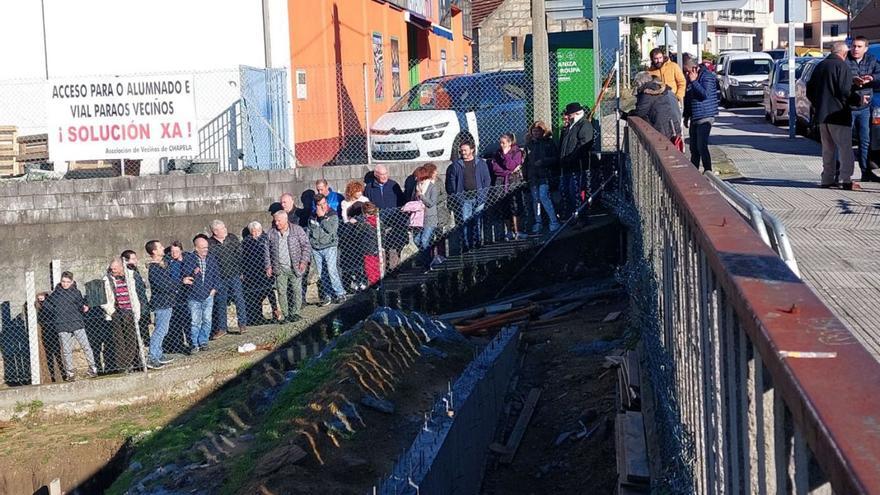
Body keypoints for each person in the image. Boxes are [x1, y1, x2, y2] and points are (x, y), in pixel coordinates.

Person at [808, 41, 858, 190]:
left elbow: (809, 89)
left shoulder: (820, 66)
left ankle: (827, 179)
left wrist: (818, 104)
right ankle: (846, 180)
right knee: (844, 148)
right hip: (839, 115)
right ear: (843, 53)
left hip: (822, 115)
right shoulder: (842, 66)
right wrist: (858, 99)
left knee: (827, 149)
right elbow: (844, 91)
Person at [39, 271, 97, 381]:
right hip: (62, 325)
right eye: (63, 281)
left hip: (77, 323)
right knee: (66, 350)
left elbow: (80, 305)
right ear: (60, 281)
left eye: (68, 282)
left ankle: (93, 368)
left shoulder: (76, 292)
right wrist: (43, 302)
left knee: (86, 346)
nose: (65, 284)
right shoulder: (55, 294)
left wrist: (84, 307)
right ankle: (70, 373)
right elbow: (51, 309)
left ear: (72, 282)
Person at [265, 209, 311, 322]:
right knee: (281, 292)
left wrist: (303, 261)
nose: (277, 223)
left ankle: (295, 312)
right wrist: (268, 266)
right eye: (275, 221)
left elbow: (306, 246)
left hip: (295, 266)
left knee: (296, 290)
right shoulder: (271, 233)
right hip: (279, 267)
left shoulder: (297, 230)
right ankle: (285, 315)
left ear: (286, 219)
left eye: (279, 221)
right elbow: (266, 251)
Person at [446, 139, 492, 252]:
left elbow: (487, 179)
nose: (463, 153)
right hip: (464, 198)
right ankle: (467, 245)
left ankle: (478, 242)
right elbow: (452, 181)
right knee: (465, 222)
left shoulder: (481, 163)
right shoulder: (456, 165)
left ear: (472, 150)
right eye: (461, 151)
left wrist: (483, 193)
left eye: (465, 150)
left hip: (479, 197)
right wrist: (457, 195)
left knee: (478, 221)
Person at [101, 259, 144, 373]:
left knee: (131, 340)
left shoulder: (131, 276)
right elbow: (104, 299)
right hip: (117, 313)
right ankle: (122, 367)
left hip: (130, 312)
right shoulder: (107, 279)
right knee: (119, 342)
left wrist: (137, 313)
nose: (112, 271)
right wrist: (112, 312)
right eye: (111, 269)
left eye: (115, 268)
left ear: (121, 267)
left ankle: (130, 364)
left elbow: (138, 295)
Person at [847, 36, 880, 181]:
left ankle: (866, 172)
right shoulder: (845, 59)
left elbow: (879, 75)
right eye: (854, 46)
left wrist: (871, 78)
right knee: (845, 141)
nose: (855, 49)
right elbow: (841, 76)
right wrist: (854, 79)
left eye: (859, 46)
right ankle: (842, 173)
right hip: (847, 106)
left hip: (865, 107)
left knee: (864, 140)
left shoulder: (871, 60)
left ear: (865, 48)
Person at [208, 220, 248, 336]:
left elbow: (240, 255)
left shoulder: (232, 238)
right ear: (215, 231)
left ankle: (242, 324)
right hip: (220, 278)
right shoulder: (210, 244)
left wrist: (241, 271)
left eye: (224, 227)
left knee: (239, 299)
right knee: (221, 302)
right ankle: (222, 328)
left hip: (234, 274)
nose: (225, 229)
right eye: (222, 228)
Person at [182, 235, 219, 353]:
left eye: (206, 248)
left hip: (208, 294)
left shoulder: (211, 259)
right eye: (203, 248)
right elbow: (185, 275)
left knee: (207, 320)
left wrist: (214, 289)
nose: (205, 250)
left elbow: (216, 275)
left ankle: (203, 341)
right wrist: (193, 272)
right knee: (195, 321)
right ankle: (194, 343)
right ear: (196, 248)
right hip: (194, 295)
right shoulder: (189, 259)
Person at [308, 193, 347, 306]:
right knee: (322, 273)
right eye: (320, 205)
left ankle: (340, 293)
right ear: (316, 206)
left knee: (331, 270)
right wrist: (312, 242)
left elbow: (331, 230)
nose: (323, 206)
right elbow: (310, 230)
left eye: (324, 203)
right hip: (316, 248)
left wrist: (323, 218)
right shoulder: (312, 216)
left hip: (329, 246)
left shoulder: (332, 214)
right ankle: (327, 295)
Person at [365, 164, 406, 269]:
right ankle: (383, 270)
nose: (384, 176)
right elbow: (368, 204)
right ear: (376, 175)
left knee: (393, 247)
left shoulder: (393, 185)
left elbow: (401, 202)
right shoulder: (369, 187)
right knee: (381, 247)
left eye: (386, 174)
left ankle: (394, 270)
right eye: (382, 175)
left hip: (394, 220)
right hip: (379, 221)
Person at [683, 58, 719, 173]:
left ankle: (708, 171)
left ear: (694, 68)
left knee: (701, 146)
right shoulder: (691, 78)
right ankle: (694, 173)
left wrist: (694, 82)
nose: (686, 74)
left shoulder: (707, 76)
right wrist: (686, 115)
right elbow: (688, 97)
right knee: (693, 148)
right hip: (695, 116)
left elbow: (705, 94)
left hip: (705, 115)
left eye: (687, 71)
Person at [523, 121, 561, 234]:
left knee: (544, 196)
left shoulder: (548, 142)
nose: (535, 133)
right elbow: (525, 162)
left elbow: (555, 158)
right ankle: (538, 222)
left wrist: (544, 162)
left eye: (538, 131)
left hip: (545, 175)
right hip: (533, 176)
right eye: (533, 131)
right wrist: (525, 176)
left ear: (542, 131)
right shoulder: (529, 145)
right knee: (536, 199)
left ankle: (553, 220)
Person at [558, 102, 594, 219]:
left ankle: (581, 218)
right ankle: (572, 216)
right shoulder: (569, 127)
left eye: (569, 114)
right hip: (567, 165)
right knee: (567, 191)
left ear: (576, 113)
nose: (567, 117)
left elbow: (583, 145)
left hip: (577, 166)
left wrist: (571, 158)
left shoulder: (584, 125)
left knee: (577, 193)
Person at [490, 133, 529, 240]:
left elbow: (511, 165)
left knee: (515, 206)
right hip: (501, 181)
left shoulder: (517, 152)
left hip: (513, 181)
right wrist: (508, 172)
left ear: (510, 143)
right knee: (504, 207)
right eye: (500, 143)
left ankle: (518, 231)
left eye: (504, 143)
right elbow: (496, 169)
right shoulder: (497, 153)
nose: (501, 145)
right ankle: (509, 231)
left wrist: (506, 155)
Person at [144, 240, 175, 369]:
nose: (163, 248)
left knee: (164, 329)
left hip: (167, 301)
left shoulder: (161, 264)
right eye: (160, 247)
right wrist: (176, 285)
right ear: (154, 251)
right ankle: (152, 356)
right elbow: (163, 285)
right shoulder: (154, 268)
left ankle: (158, 353)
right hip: (161, 303)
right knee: (160, 330)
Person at [627, 72, 683, 142]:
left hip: (664, 129)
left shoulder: (648, 92)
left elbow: (640, 112)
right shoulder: (664, 90)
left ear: (640, 83)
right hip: (672, 126)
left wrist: (627, 114)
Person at [242, 221, 279, 324]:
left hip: (265, 269)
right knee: (256, 294)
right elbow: (244, 258)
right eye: (253, 231)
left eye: (257, 230)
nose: (255, 233)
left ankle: (275, 311)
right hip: (252, 272)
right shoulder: (246, 242)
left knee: (269, 291)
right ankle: (258, 316)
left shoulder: (266, 238)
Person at [164, 241, 190, 355]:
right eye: (172, 251)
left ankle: (191, 342)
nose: (174, 253)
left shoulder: (186, 261)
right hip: (174, 295)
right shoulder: (169, 264)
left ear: (181, 251)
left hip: (185, 295)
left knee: (188, 320)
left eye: (176, 251)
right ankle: (177, 344)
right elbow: (170, 280)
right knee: (175, 322)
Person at [121, 250, 151, 345]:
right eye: (133, 259)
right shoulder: (126, 273)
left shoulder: (135, 271)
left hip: (142, 303)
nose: (136, 260)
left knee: (144, 327)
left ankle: (145, 344)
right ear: (125, 261)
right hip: (135, 304)